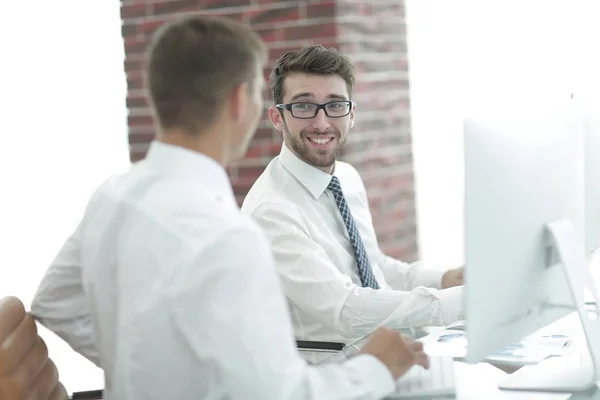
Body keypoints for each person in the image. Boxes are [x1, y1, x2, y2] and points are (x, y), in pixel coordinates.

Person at [30, 15, 429, 400]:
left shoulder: (112, 195)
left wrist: (151, 370)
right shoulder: (229, 237)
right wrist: (378, 366)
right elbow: (285, 394)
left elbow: (54, 303)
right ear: (240, 100)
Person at [241, 45, 464, 345]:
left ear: (352, 114)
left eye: (335, 105)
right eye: (303, 106)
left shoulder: (346, 178)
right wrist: (457, 303)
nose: (321, 123)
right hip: (331, 375)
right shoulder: (272, 210)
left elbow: (374, 269)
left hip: (390, 356)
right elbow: (345, 309)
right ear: (278, 118)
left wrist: (446, 280)